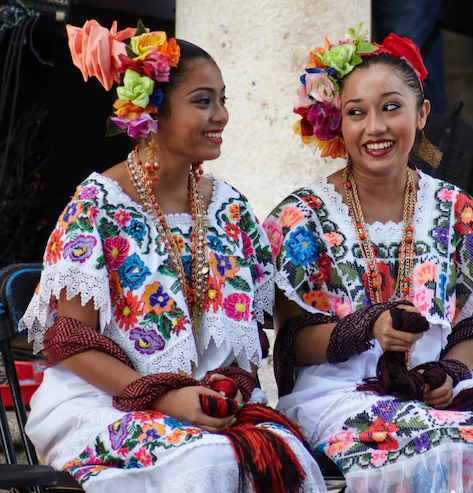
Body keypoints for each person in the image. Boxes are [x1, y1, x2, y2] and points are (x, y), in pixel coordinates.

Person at [19, 20, 326, 493]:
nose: (221, 114)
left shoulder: (230, 207)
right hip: (105, 402)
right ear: (152, 112)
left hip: (208, 407)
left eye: (224, 100)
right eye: (203, 101)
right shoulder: (97, 205)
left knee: (286, 460)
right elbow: (70, 341)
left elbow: (249, 340)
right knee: (207, 463)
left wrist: (221, 390)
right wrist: (164, 397)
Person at [268, 29, 473, 492]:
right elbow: (293, 340)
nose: (375, 127)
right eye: (356, 112)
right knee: (424, 441)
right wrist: (368, 327)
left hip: (432, 389)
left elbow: (472, 330)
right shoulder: (302, 218)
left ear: (421, 114)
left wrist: (448, 372)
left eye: (391, 107)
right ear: (335, 123)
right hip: (340, 392)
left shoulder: (455, 211)